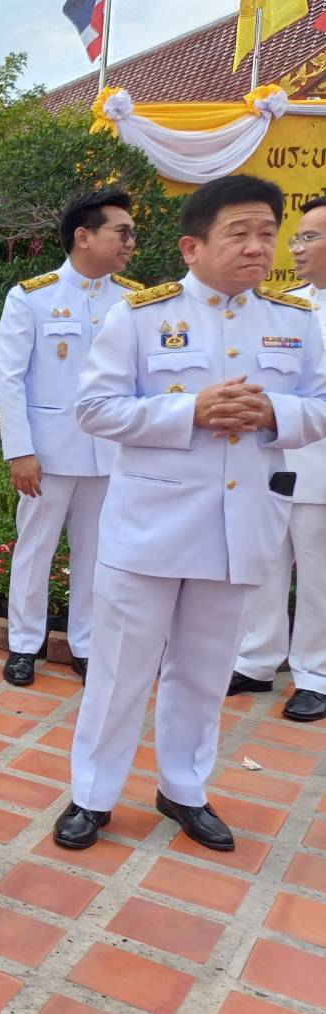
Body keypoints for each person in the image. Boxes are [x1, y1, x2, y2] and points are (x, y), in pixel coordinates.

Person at [54, 175, 326, 853]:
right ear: (191, 246)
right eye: (238, 233)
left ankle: (184, 787)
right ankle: (92, 794)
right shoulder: (140, 316)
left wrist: (273, 412)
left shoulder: (295, 322)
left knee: (205, 671)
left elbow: (320, 405)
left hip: (240, 527)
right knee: (120, 670)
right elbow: (93, 409)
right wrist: (189, 411)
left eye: (267, 233)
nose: (257, 246)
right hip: (150, 525)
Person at [0, 190, 141, 686]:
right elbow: (9, 378)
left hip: (110, 453)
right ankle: (23, 644)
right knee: (35, 549)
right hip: (48, 454)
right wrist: (21, 450)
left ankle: (86, 643)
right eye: (121, 232)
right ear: (84, 236)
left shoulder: (133, 301)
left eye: (131, 233)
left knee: (97, 553)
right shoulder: (32, 297)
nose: (130, 242)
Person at [228, 193, 326, 721]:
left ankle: (315, 674)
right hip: (272, 460)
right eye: (298, 236)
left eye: (310, 237)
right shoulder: (285, 307)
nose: (297, 247)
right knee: (264, 566)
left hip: (322, 466)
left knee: (318, 576)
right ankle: (257, 659)